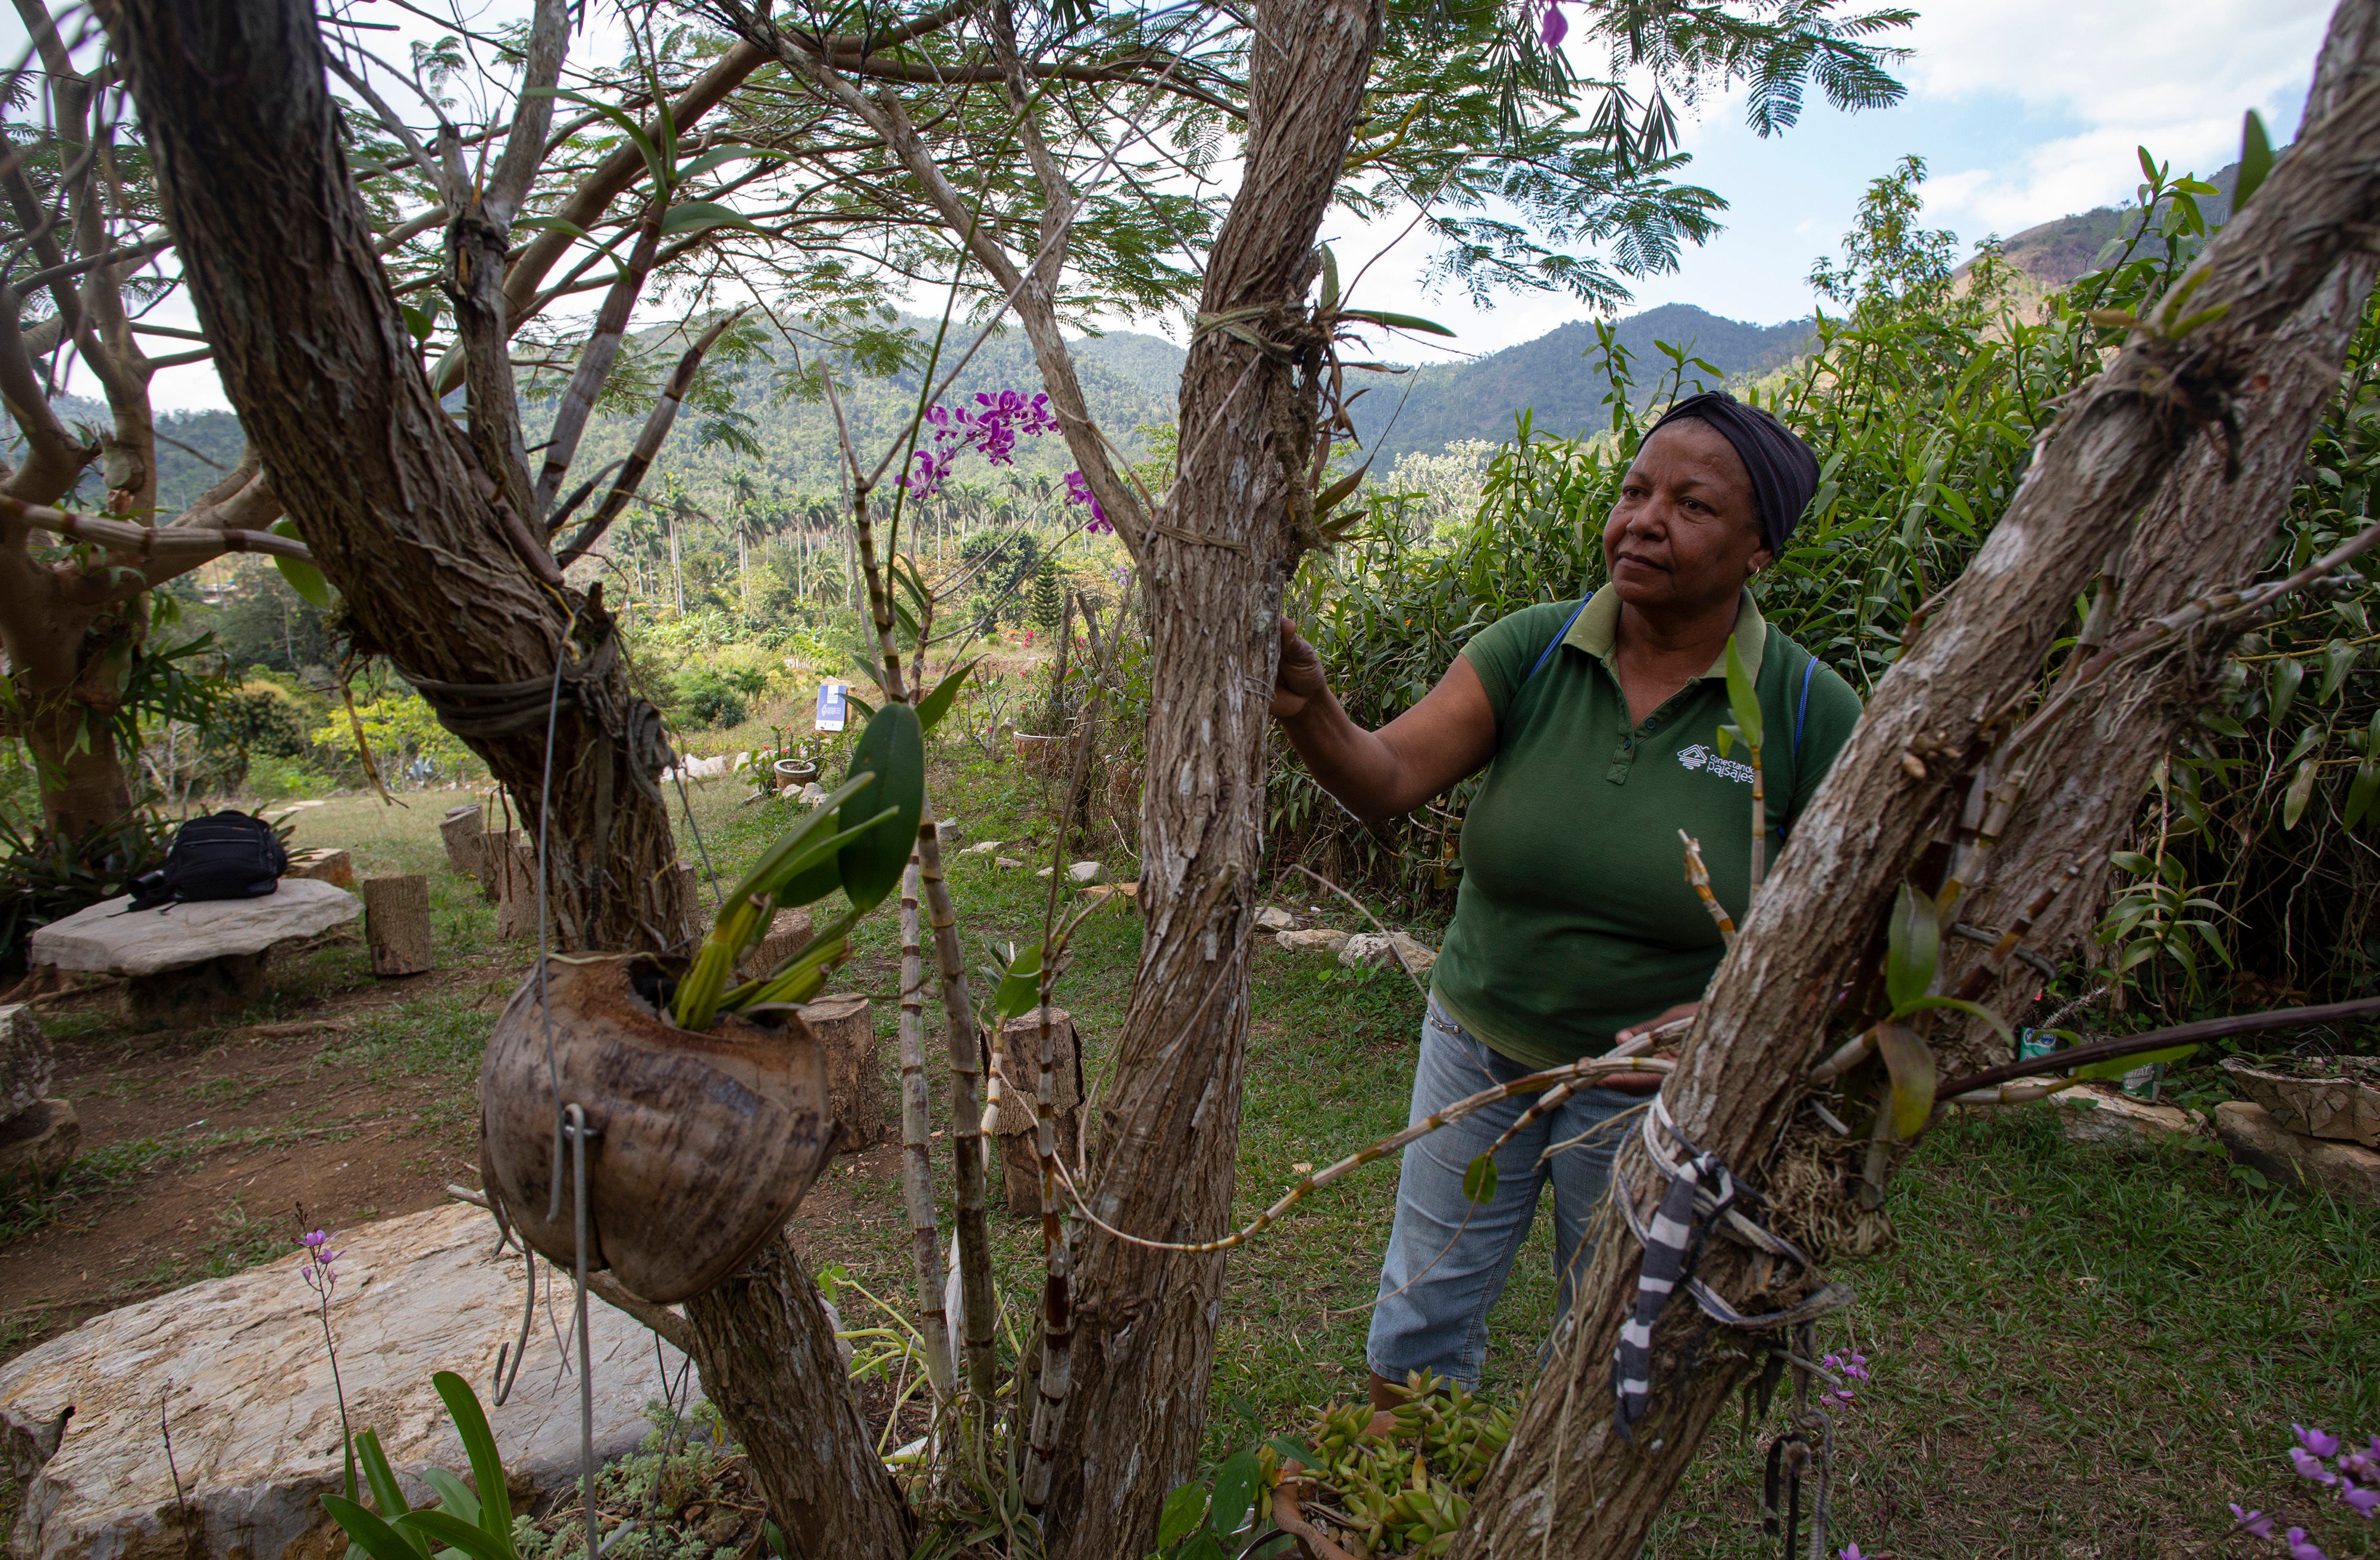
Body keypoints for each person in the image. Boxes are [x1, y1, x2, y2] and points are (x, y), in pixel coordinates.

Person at [1268, 391, 1864, 1408]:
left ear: (1762, 547)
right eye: (1635, 491)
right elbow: (1388, 777)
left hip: (1651, 1093)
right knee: (1418, 1314)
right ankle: (1401, 1485)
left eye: (1692, 505)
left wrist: (1730, 1023)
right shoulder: (1535, 651)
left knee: (1602, 1339)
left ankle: (1550, 1495)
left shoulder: (1809, 713)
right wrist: (1311, 704)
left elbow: (1859, 934)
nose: (1644, 521)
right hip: (1476, 1046)